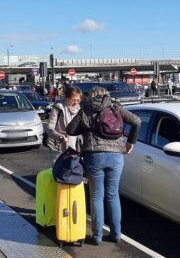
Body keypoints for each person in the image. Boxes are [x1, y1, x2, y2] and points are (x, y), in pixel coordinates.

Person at [66, 86, 141, 245]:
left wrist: (85, 128)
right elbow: (137, 121)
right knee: (113, 195)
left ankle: (97, 236)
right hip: (116, 156)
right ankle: (116, 234)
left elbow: (71, 130)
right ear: (106, 95)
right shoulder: (116, 107)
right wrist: (130, 143)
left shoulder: (86, 109)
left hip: (94, 156)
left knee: (97, 196)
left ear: (91, 95)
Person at [45, 86, 82, 166]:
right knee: (57, 170)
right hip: (58, 145)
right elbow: (49, 127)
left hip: (73, 145)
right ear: (66, 98)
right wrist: (60, 137)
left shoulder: (79, 109)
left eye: (78, 100)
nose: (76, 103)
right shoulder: (59, 107)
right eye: (73, 100)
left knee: (71, 171)